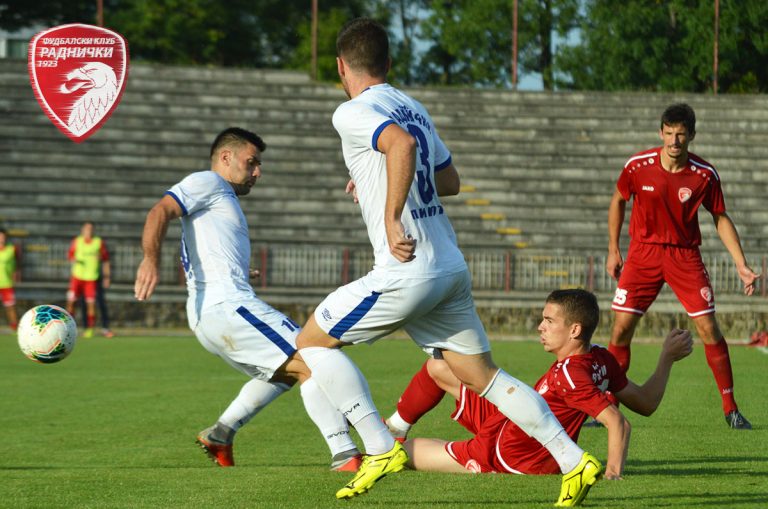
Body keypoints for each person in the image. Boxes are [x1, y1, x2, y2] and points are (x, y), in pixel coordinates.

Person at [295, 18, 601, 507]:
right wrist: (374, 182)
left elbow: (401, 146)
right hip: (449, 267)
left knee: (308, 345)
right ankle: (573, 460)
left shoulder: (351, 110)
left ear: (340, 66)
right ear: (389, 64)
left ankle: (377, 446)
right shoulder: (413, 106)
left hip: (406, 269)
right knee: (487, 379)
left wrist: (391, 216)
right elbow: (450, 180)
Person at [133, 127, 361, 472]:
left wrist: (241, 270)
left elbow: (207, 247)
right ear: (226, 158)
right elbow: (159, 211)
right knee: (315, 358)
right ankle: (346, 453)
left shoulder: (219, 198)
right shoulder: (209, 183)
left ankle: (221, 434)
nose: (257, 172)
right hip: (227, 305)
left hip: (209, 314)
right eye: (251, 162)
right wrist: (150, 259)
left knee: (283, 374)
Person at [385, 289, 693, 480]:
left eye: (549, 321)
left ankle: (387, 444)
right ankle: (396, 424)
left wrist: (612, 474)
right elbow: (646, 403)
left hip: (511, 453)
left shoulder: (571, 375)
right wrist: (666, 359)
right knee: (439, 366)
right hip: (510, 419)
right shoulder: (599, 357)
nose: (540, 327)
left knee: (403, 454)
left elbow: (617, 422)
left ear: (574, 330)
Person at [606, 103, 759, 430]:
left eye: (682, 135)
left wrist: (741, 264)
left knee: (708, 328)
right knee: (620, 329)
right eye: (670, 133)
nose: (675, 141)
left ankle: (730, 407)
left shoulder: (705, 174)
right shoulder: (637, 166)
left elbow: (720, 217)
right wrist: (613, 249)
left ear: (691, 136)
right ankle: (608, 404)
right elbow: (618, 200)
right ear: (661, 132)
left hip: (684, 256)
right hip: (642, 254)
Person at [66, 221, 111, 338]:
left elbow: (106, 259)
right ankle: (66, 327)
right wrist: (74, 260)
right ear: (82, 230)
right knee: (71, 303)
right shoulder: (77, 241)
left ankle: (90, 329)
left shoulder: (98, 242)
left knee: (91, 304)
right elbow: (70, 256)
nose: (89, 231)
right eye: (86, 229)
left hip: (91, 278)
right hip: (77, 278)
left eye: (91, 229)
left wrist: (107, 276)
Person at [79, 263, 114, 338]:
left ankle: (105, 328)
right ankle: (86, 328)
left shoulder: (99, 250)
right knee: (84, 304)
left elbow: (106, 261)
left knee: (101, 304)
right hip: (82, 280)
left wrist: (106, 277)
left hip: (96, 280)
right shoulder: (77, 250)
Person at [0, 228, 20, 331]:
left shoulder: (12, 249)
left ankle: (15, 328)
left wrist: (17, 272)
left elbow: (18, 262)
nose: (1, 239)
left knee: (11, 307)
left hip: (6, 283)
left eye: (2, 236)